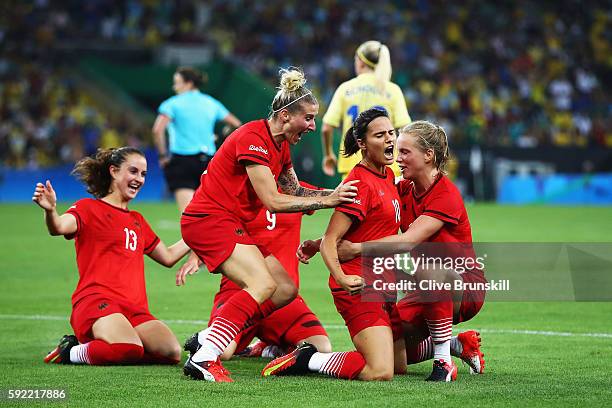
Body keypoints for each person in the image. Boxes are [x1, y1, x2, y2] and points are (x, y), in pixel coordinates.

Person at [179, 68, 358, 382]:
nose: (313, 127)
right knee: (262, 285)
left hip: (226, 222)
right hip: (210, 220)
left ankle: (213, 336)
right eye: (309, 118)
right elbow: (274, 200)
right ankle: (205, 357)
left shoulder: (280, 146)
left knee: (285, 288)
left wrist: (335, 194)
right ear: (286, 115)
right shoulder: (254, 138)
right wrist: (326, 201)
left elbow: (292, 189)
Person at [332, 121, 486, 381]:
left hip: (464, 287)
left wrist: (356, 249)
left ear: (428, 156)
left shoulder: (446, 194)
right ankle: (458, 345)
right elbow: (371, 221)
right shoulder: (403, 189)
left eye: (405, 152)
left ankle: (443, 363)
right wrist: (322, 240)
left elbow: (409, 240)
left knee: (428, 269)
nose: (398, 159)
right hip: (424, 289)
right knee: (389, 352)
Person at [262, 108, 406, 381]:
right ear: (362, 144)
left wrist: (314, 244)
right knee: (380, 371)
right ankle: (309, 358)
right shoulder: (359, 183)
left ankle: (454, 345)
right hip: (359, 284)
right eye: (380, 135)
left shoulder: (387, 176)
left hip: (385, 283)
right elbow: (332, 240)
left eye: (391, 133)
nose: (389, 140)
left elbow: (361, 231)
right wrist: (341, 277)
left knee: (399, 366)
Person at [33, 147, 190, 366]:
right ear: (114, 171)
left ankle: (114, 347)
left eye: (143, 174)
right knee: (128, 348)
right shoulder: (88, 208)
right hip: (97, 302)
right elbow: (58, 227)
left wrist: (197, 235)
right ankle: (71, 352)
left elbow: (169, 256)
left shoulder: (137, 220)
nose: (139, 179)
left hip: (134, 309)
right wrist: (50, 211)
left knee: (171, 353)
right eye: (133, 171)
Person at [179, 183, 331, 361]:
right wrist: (196, 253)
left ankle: (267, 348)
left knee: (321, 348)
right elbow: (207, 221)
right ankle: (224, 336)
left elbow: (334, 197)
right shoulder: (235, 193)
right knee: (223, 352)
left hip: (281, 299)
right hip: (239, 293)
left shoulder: (296, 191)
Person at [152, 66, 242, 212]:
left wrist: (162, 155)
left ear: (188, 83)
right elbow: (237, 125)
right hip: (209, 162)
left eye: (177, 82)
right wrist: (219, 137)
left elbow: (157, 130)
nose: (174, 86)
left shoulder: (172, 104)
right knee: (211, 211)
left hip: (182, 161)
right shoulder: (212, 103)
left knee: (188, 214)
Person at [321, 40, 411, 178]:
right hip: (387, 167)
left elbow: (327, 128)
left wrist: (328, 155)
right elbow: (405, 129)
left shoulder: (345, 88)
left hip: (352, 167)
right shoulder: (392, 90)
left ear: (361, 62)